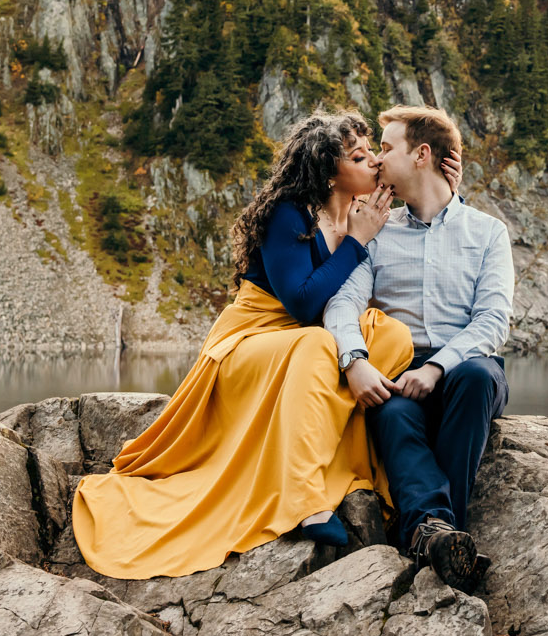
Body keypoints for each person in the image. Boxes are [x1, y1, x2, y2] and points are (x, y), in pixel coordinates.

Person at [71, 112, 416, 579]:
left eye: (373, 151)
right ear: (328, 171)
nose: (374, 162)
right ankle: (303, 501)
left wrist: (441, 183)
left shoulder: (365, 211)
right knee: (318, 345)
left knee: (392, 335)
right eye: (359, 156)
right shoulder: (290, 213)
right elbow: (301, 303)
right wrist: (356, 242)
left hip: (309, 339)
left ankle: (315, 445)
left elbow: (424, 205)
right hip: (252, 340)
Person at [324, 106, 512, 593]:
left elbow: (492, 321)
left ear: (422, 154)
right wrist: (354, 360)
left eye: (386, 149)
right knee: (390, 414)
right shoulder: (378, 231)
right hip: (400, 368)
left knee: (473, 378)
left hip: (466, 363)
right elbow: (342, 303)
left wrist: (437, 369)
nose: (378, 160)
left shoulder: (487, 232)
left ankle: (436, 529)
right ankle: (440, 536)